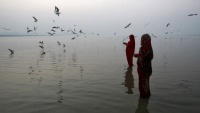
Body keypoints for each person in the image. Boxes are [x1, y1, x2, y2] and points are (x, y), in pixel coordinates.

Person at [134, 34, 153, 98]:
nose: (141, 41)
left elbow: (144, 58)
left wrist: (138, 56)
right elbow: (142, 57)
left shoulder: (148, 50)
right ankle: (146, 97)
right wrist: (138, 55)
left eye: (142, 39)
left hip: (145, 71)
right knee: (144, 84)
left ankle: (144, 98)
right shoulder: (144, 48)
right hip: (143, 70)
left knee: (143, 85)